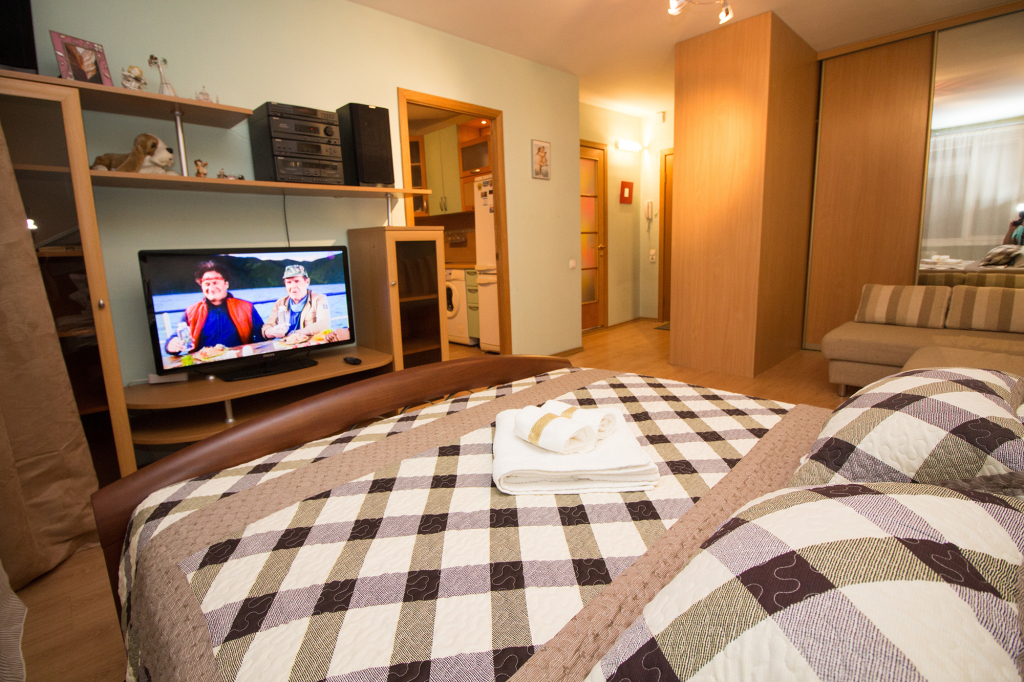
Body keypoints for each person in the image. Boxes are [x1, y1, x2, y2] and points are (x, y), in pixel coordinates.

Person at [165, 261, 265, 354]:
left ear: (226, 284)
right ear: (202, 287)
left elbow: (261, 335)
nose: (211, 288)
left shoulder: (246, 307)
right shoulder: (191, 311)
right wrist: (171, 345)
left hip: (239, 360)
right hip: (204, 363)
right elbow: (177, 338)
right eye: (207, 284)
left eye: (215, 283)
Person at [261, 264, 332, 339]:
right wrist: (272, 331)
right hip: (286, 344)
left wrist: (295, 333)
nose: (293, 286)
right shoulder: (280, 303)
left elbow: (324, 324)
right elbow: (266, 328)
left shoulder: (319, 299)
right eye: (289, 282)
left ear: (307, 282)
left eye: (297, 281)